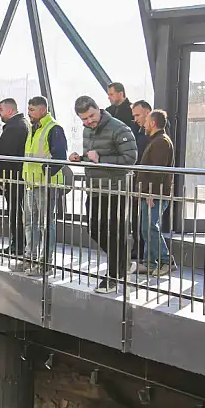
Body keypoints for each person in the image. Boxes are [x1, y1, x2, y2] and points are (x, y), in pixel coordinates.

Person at [69, 96, 138, 294]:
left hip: (116, 189)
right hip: (96, 187)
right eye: (84, 119)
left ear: (98, 109)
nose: (89, 121)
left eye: (91, 116)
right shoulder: (87, 131)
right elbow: (92, 157)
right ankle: (123, 264)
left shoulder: (120, 128)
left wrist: (102, 159)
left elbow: (130, 158)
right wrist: (79, 158)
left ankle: (113, 276)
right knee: (94, 229)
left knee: (114, 232)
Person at [12, 96, 67, 276]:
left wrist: (45, 171)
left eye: (33, 110)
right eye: (29, 110)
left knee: (45, 224)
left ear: (43, 110)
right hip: (31, 183)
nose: (29, 114)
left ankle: (45, 263)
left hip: (45, 184)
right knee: (30, 223)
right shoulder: (34, 129)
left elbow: (59, 157)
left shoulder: (53, 129)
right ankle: (30, 258)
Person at [132, 109, 178, 276]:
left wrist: (151, 193)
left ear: (152, 123)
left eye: (146, 121)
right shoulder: (156, 140)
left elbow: (157, 171)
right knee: (146, 228)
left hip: (155, 194)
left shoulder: (161, 142)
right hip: (149, 193)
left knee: (151, 227)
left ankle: (167, 261)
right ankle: (149, 263)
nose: (143, 124)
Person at [0, 98, 29, 256]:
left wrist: (1, 178)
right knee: (16, 210)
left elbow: (6, 156)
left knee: (14, 211)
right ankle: (18, 243)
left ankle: (18, 244)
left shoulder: (14, 128)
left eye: (1, 109)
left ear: (10, 111)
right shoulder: (22, 124)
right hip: (18, 176)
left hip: (13, 178)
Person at [129, 99, 153, 261]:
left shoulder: (157, 133)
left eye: (138, 115)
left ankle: (147, 253)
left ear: (147, 112)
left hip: (148, 182)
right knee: (136, 217)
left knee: (147, 220)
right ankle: (138, 248)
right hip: (137, 180)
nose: (136, 118)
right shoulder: (137, 131)